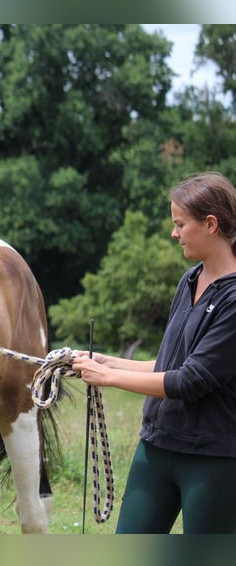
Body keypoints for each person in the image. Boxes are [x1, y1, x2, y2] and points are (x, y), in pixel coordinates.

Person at [72, 171, 236, 534]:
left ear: (210, 224)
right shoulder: (190, 279)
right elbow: (170, 365)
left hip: (214, 460)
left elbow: (192, 380)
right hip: (156, 447)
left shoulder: (233, 300)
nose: (173, 233)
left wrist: (108, 378)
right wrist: (106, 361)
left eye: (180, 224)